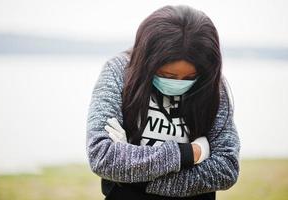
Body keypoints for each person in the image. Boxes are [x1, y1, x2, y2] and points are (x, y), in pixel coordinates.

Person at [86, 4, 240, 200]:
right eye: (167, 75)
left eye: (189, 77)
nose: (177, 83)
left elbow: (226, 169)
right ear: (147, 62)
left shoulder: (213, 84)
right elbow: (102, 157)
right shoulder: (119, 72)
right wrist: (190, 153)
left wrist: (134, 177)